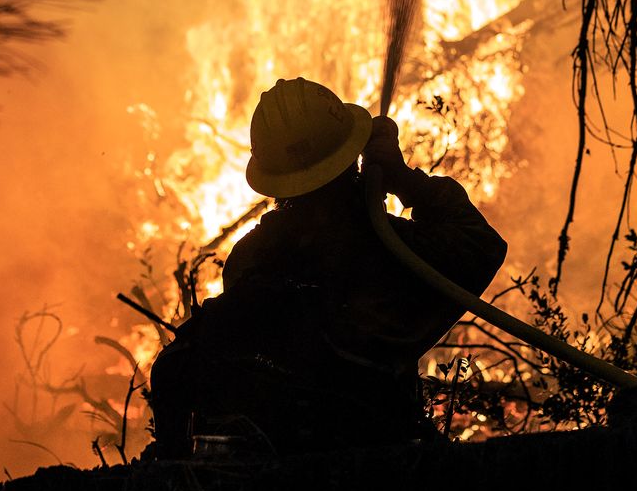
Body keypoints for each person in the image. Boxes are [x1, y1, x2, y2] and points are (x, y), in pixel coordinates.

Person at [147, 77, 508, 457]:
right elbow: (481, 246)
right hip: (381, 473)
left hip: (280, 479)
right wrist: (404, 181)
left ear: (273, 180)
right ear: (350, 155)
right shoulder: (388, 251)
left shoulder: (249, 260)